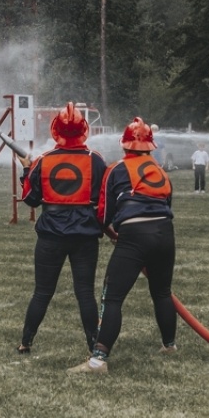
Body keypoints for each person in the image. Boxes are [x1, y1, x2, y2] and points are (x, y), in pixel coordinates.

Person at [72, 118, 177, 374]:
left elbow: (103, 212)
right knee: (162, 292)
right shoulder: (160, 170)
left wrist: (108, 231)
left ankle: (97, 361)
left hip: (134, 234)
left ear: (125, 145)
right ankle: (169, 345)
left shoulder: (117, 169)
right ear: (150, 147)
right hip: (165, 233)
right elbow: (167, 205)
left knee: (113, 297)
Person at [18, 104, 109, 356]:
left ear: (55, 130)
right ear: (83, 130)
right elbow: (104, 197)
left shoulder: (43, 160)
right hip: (85, 237)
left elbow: (30, 199)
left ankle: (26, 342)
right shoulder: (95, 159)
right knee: (85, 294)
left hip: (50, 236)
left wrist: (26, 170)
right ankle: (93, 347)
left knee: (42, 292)